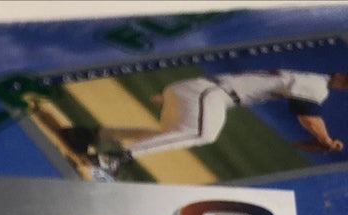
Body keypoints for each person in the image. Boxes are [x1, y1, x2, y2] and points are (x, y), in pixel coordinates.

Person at [60, 70, 348, 174]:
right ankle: (113, 158)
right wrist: (325, 140)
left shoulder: (312, 79)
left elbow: (308, 117)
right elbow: (307, 116)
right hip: (210, 94)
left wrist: (321, 140)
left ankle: (90, 134)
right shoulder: (318, 86)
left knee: (169, 134)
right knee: (203, 134)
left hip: (195, 90)